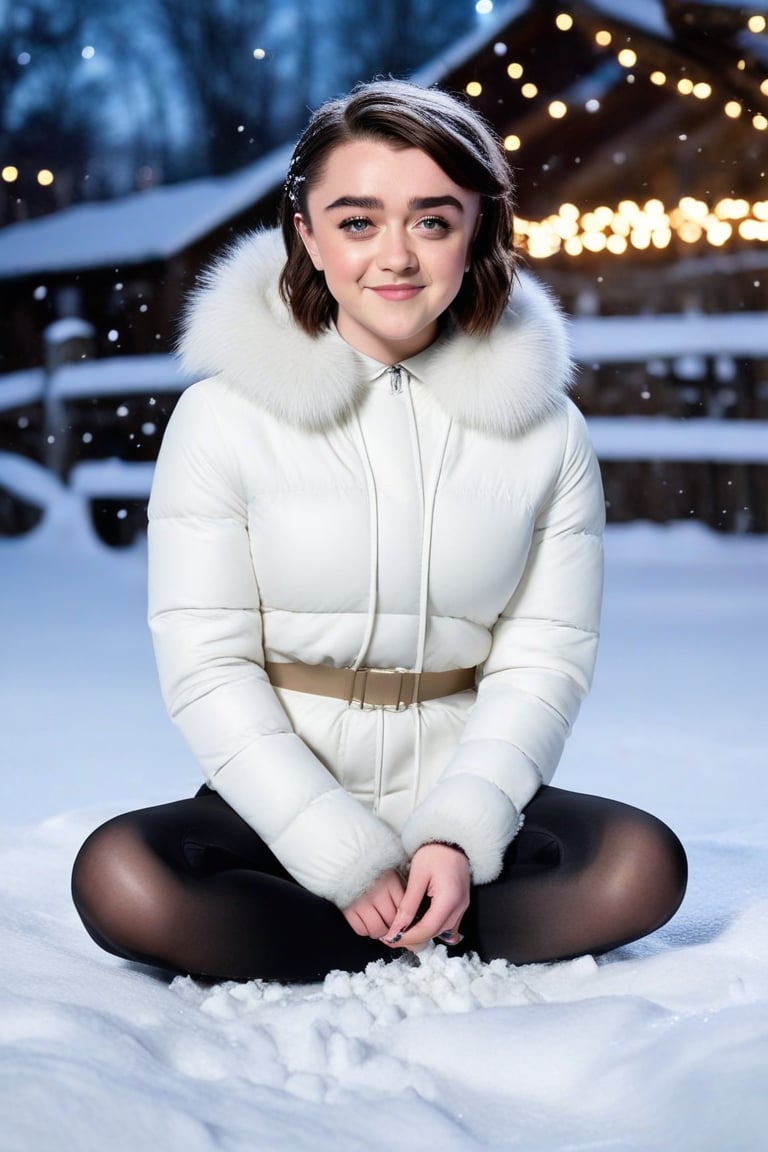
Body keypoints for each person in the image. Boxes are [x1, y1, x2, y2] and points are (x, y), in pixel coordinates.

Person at [71, 79, 687, 983]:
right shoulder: (222, 417)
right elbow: (208, 660)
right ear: (307, 236)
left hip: (470, 797)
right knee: (123, 876)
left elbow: (545, 655)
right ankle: (401, 934)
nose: (395, 257)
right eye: (358, 222)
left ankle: (381, 922)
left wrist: (459, 832)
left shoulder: (547, 428)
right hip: (276, 804)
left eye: (432, 221)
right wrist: (333, 849)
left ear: (477, 229)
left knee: (641, 865)